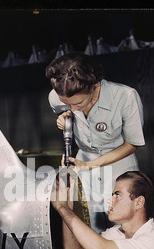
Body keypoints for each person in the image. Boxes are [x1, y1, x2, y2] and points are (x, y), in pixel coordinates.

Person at [45, 53, 145, 234]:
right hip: (83, 167)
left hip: (119, 165)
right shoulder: (57, 96)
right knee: (88, 225)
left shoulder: (125, 96)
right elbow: (65, 108)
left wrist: (89, 165)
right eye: (67, 104)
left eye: (79, 103)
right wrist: (63, 117)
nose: (73, 108)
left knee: (123, 229)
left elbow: (132, 144)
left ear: (94, 85)